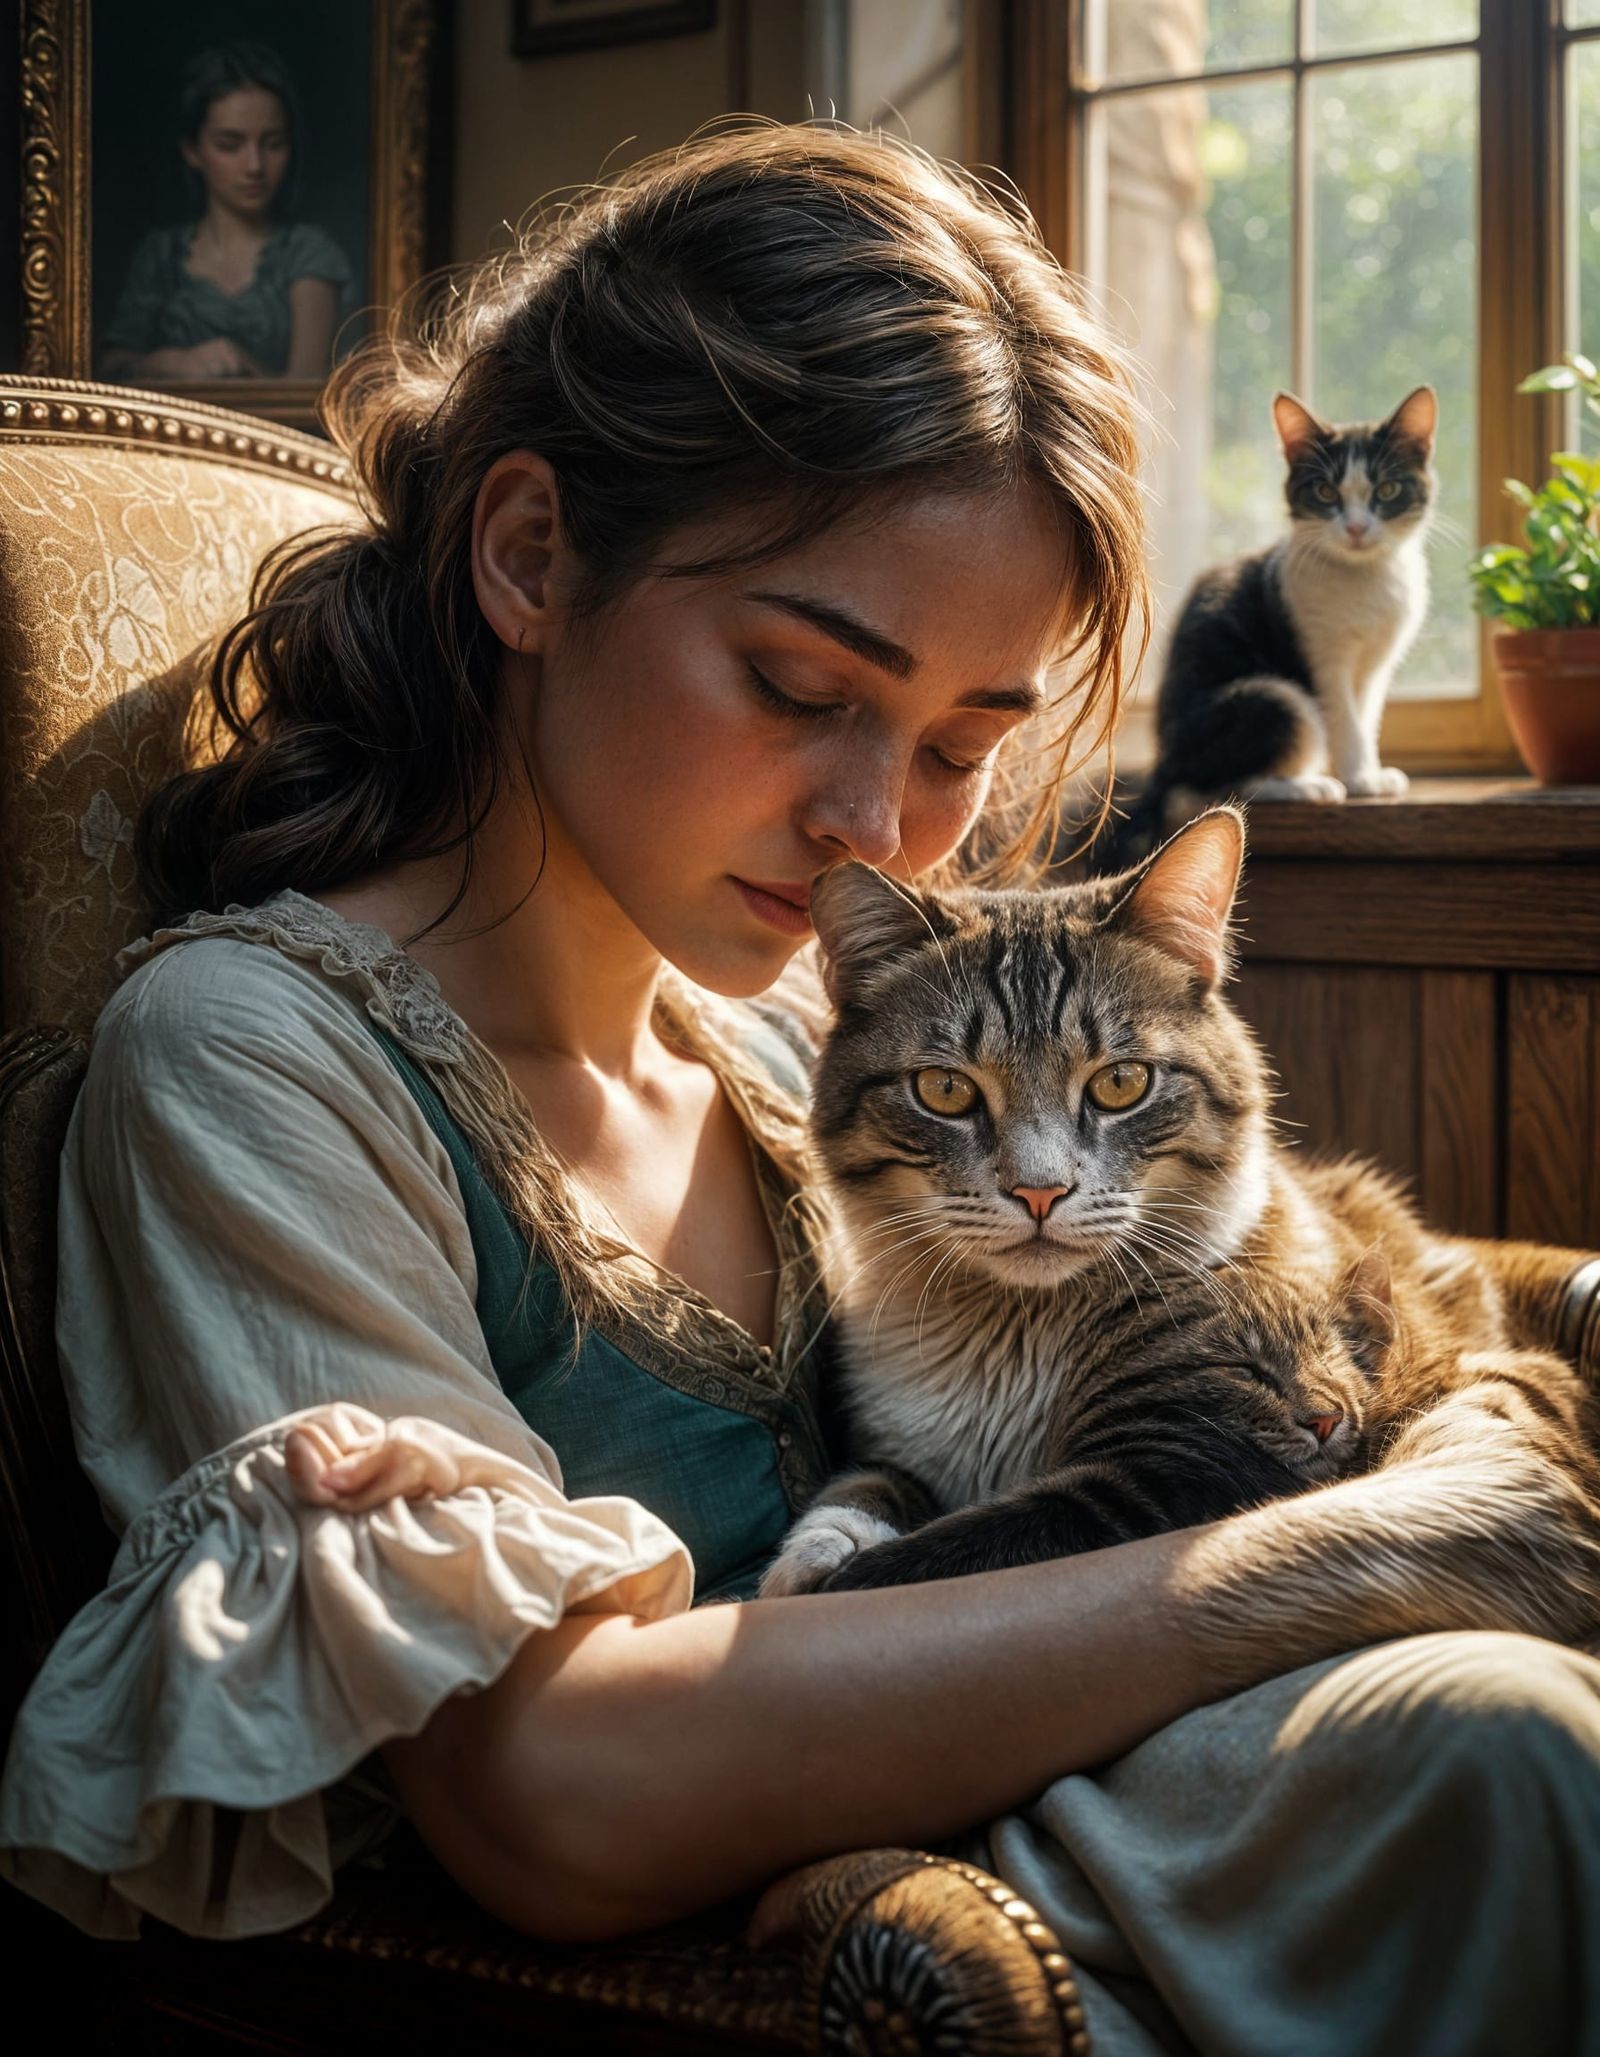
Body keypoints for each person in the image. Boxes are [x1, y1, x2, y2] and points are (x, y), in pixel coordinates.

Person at [5, 126, 1600, 2054]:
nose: (882, 826)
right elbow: (554, 1797)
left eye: (960, 744)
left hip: (1072, 1787)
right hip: (799, 1950)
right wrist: (1358, 1558)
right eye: (803, 687)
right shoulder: (251, 1066)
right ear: (530, 555)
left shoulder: (781, 1035)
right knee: (1509, 1752)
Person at [100, 42, 354, 384]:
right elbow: (109, 369)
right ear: (192, 150)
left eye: (273, 144)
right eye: (230, 145)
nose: (255, 165)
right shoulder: (162, 254)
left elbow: (307, 392)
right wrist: (172, 363)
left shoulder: (307, 252)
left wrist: (244, 367)